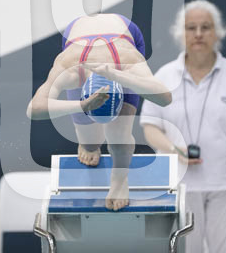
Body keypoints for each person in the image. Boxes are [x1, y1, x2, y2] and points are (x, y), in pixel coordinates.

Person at [140, 0, 226, 253]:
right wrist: (173, 148)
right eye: (191, 28)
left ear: (218, 33)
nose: (198, 34)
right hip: (179, 187)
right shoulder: (164, 76)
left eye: (206, 27)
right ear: (181, 34)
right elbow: (150, 126)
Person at [27, 13, 172, 211]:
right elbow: (34, 109)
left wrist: (120, 77)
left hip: (124, 40)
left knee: (119, 136)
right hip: (78, 43)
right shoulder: (69, 67)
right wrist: (82, 106)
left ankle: (119, 181)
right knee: (90, 143)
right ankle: (88, 145)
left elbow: (165, 98)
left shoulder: (129, 60)